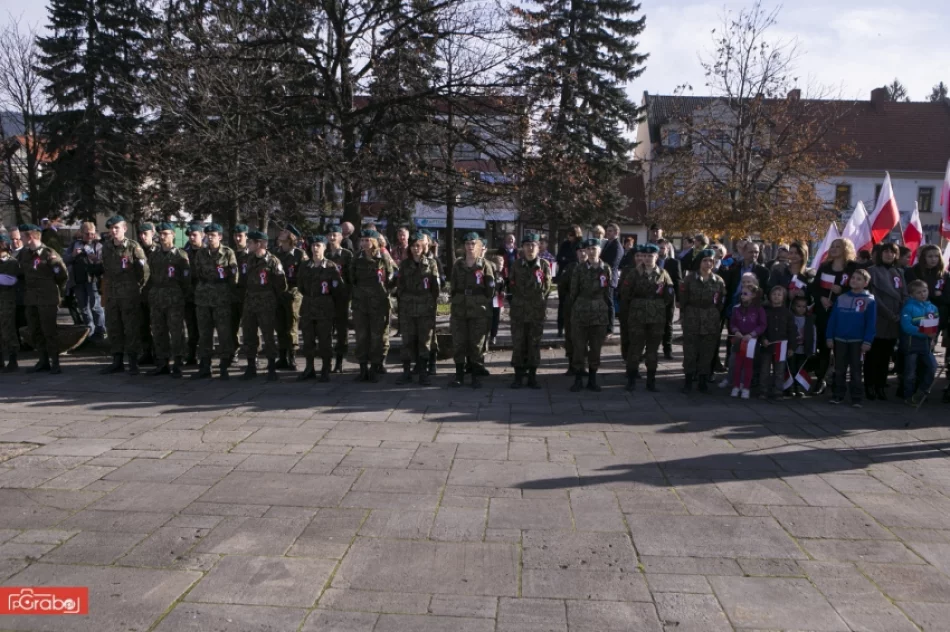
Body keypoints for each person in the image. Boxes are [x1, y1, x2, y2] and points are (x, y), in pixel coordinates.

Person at [619, 243, 675, 392]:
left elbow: (669, 295)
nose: (648, 258)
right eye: (645, 256)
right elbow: (625, 293)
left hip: (656, 318)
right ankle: (631, 379)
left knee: (652, 350)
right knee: (635, 348)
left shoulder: (663, 273)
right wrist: (637, 305)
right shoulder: (633, 273)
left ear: (657, 257)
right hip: (637, 316)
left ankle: (651, 380)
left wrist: (657, 306)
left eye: (651, 256)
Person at [100, 216, 150, 375]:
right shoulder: (106, 247)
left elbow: (144, 272)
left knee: (131, 327)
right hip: (113, 294)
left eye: (117, 228)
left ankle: (133, 361)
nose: (114, 231)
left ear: (124, 229)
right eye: (111, 228)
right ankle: (117, 360)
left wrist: (136, 288)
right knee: (114, 327)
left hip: (129, 294)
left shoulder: (133, 247)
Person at [17, 224, 68, 374]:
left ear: (30, 237)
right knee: (35, 330)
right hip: (31, 299)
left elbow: (62, 276)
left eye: (22, 236)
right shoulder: (25, 254)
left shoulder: (49, 254)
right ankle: (43, 360)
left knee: (49, 331)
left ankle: (55, 362)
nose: (20, 239)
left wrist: (56, 293)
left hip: (47, 299)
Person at [808, 238, 857, 395]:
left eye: (838, 246)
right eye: (833, 246)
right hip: (824, 313)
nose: (834, 249)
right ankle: (820, 379)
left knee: (840, 349)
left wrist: (841, 291)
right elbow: (814, 288)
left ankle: (838, 380)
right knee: (823, 347)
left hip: (843, 314)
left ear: (846, 249)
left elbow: (859, 289)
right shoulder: (824, 267)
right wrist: (821, 298)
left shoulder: (852, 269)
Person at [448, 233, 495, 388]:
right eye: (467, 243)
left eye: (473, 243)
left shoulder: (484, 265)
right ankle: (459, 375)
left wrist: (481, 301)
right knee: (459, 342)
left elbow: (490, 289)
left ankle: (475, 376)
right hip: (460, 309)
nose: (470, 246)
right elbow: (453, 287)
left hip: (478, 310)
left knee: (476, 344)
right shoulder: (458, 264)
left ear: (479, 246)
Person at [903, 243, 949, 401]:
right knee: (912, 358)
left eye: (936, 256)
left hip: (935, 321)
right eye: (930, 256)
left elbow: (946, 298)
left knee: (927, 356)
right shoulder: (913, 272)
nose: (933, 259)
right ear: (923, 257)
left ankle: (922, 389)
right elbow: (913, 292)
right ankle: (908, 389)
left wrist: (936, 296)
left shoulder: (944, 275)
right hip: (915, 321)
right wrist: (932, 294)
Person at [193, 223, 238, 379]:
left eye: (213, 235)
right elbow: (197, 272)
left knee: (224, 333)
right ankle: (205, 366)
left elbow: (233, 276)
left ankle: (224, 365)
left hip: (221, 298)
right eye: (208, 235)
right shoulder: (201, 254)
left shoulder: (227, 253)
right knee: (204, 334)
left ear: (220, 237)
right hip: (203, 298)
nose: (210, 238)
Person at [395, 231, 440, 385]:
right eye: (413, 246)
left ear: (423, 247)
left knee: (424, 341)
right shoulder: (404, 264)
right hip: (408, 308)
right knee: (407, 340)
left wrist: (429, 301)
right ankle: (406, 372)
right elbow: (399, 286)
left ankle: (423, 373)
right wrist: (406, 299)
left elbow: (436, 287)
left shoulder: (431, 263)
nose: (416, 249)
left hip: (425, 308)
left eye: (418, 246)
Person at [297, 235, 345, 382]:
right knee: (308, 339)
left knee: (325, 340)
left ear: (324, 247)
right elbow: (301, 286)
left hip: (325, 308)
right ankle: (309, 368)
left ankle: (325, 369)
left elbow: (338, 289)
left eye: (318, 245)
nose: (315, 248)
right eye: (313, 245)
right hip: (308, 307)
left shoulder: (331, 267)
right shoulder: (305, 266)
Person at [508, 233, 553, 389]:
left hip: (536, 312)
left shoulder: (544, 265)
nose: (530, 248)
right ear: (522, 247)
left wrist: (536, 300)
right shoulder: (516, 265)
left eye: (533, 245)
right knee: (518, 343)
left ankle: (532, 376)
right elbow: (511, 285)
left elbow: (546, 288)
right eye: (527, 245)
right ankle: (518, 376)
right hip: (519, 312)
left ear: (538, 247)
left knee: (534, 344)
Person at [827, 268, 876, 407]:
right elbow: (833, 319)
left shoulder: (870, 300)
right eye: (853, 277)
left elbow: (871, 323)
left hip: (857, 341)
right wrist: (829, 337)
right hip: (840, 339)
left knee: (855, 369)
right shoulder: (841, 298)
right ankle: (838, 394)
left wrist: (867, 340)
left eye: (859, 279)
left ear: (866, 283)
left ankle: (856, 397)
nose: (854, 280)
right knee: (839, 369)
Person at [241, 230, 286, 381]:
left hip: (266, 302)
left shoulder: (273, 261)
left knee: (268, 335)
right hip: (250, 302)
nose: (248, 245)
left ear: (258, 243)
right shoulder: (248, 259)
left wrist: (271, 297)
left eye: (250, 242)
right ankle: (251, 366)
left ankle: (272, 367)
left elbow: (281, 285)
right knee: (249, 334)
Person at [351, 229, 395, 383]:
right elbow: (350, 278)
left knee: (377, 336)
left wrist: (385, 291)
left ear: (375, 241)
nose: (364, 243)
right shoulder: (357, 257)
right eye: (362, 240)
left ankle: (374, 368)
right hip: (360, 303)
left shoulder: (383, 257)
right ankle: (362, 368)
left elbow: (393, 275)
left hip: (379, 303)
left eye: (367, 240)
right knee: (361, 336)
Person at [679, 248, 726, 393]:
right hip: (692, 317)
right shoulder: (689, 279)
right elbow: (683, 299)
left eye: (710, 261)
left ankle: (702, 381)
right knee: (690, 351)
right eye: (704, 261)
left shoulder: (718, 281)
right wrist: (684, 316)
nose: (708, 264)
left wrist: (713, 313)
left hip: (710, 319)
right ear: (699, 262)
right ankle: (688, 380)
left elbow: (721, 302)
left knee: (707, 351)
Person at [147, 223, 190, 378]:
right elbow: (150, 276)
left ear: (173, 235)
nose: (162, 236)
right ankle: (162, 362)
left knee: (176, 330)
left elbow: (186, 280)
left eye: (165, 233)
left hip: (174, 297)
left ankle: (178, 362)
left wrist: (181, 296)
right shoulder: (154, 255)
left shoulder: (180, 255)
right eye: (160, 234)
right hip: (157, 296)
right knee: (158, 330)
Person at [569, 239, 612, 392]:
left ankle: (592, 379)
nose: (591, 252)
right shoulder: (579, 269)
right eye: (589, 249)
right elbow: (573, 292)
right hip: (581, 312)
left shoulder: (605, 268)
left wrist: (610, 320)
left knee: (595, 348)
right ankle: (578, 379)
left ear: (599, 250)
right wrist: (571, 313)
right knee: (579, 348)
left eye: (594, 248)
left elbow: (608, 294)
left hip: (599, 314)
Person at [865, 242, 906, 401]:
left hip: (894, 321)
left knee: (886, 356)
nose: (889, 255)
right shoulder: (872, 271)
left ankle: (881, 385)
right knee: (873, 355)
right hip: (879, 318)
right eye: (886, 252)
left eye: (892, 252)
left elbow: (905, 293)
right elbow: (873, 296)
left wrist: (901, 312)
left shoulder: (899, 272)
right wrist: (889, 313)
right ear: (880, 254)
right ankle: (869, 385)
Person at [900, 280, 940, 407]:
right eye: (919, 292)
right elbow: (906, 327)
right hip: (912, 345)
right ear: (912, 295)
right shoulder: (908, 307)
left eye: (924, 291)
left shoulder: (932, 308)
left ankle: (921, 392)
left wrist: (933, 337)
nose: (923, 294)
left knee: (933, 366)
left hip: (926, 346)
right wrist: (924, 332)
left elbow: (934, 326)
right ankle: (908, 396)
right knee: (910, 373)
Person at [64, 222, 105, 342]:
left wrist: (95, 259)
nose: (90, 236)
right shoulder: (74, 245)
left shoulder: (98, 245)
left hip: (92, 280)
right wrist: (73, 255)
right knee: (84, 308)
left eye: (92, 234)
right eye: (87, 234)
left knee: (95, 306)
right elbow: (65, 260)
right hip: (78, 280)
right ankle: (89, 331)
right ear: (81, 233)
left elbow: (103, 263)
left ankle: (100, 330)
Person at [274, 224, 308, 371]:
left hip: (293, 293)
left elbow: (304, 275)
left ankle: (292, 356)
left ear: (291, 237)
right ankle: (281, 356)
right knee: (280, 325)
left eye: (285, 231)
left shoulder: (300, 254)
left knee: (292, 325)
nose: (281, 233)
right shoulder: (276, 253)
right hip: (278, 293)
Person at [759, 285, 797, 401]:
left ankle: (778, 391)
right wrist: (762, 339)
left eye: (779, 295)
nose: (776, 297)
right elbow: (761, 327)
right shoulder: (764, 311)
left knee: (779, 370)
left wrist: (791, 347)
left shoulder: (788, 313)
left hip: (781, 346)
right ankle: (763, 391)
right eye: (774, 294)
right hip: (767, 345)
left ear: (784, 297)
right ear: (770, 296)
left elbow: (792, 331)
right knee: (764, 370)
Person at [728, 285, 766, 399]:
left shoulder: (759, 309)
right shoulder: (736, 308)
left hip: (751, 341)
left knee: (748, 365)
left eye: (745, 294)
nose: (742, 296)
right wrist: (736, 331)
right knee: (737, 364)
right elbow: (732, 323)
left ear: (753, 295)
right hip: (739, 340)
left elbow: (763, 325)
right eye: (742, 293)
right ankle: (736, 386)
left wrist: (752, 334)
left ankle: (746, 387)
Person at [326, 225, 354, 373]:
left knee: (341, 329)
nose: (332, 238)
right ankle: (327, 359)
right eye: (330, 235)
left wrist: (348, 294)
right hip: (325, 298)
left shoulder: (347, 255)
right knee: (325, 329)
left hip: (341, 297)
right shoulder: (323, 253)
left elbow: (351, 278)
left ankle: (339, 360)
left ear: (341, 237)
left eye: (335, 235)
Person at [560, 246, 587, 376]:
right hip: (571, 307)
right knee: (570, 336)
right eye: (580, 251)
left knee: (586, 337)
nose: (583, 253)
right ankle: (571, 365)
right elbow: (562, 287)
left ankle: (583, 366)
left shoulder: (596, 267)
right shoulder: (570, 267)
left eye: (585, 250)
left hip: (589, 309)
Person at [137, 223, 159, 364]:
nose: (142, 236)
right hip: (140, 294)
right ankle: (146, 352)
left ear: (152, 233)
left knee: (157, 325)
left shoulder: (158, 250)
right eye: (140, 233)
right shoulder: (136, 250)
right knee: (142, 325)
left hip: (155, 293)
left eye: (145, 233)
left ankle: (159, 353)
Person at [555, 225, 583, 336]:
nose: (569, 237)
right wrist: (565, 259)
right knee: (562, 304)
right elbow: (559, 257)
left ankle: (573, 328)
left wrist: (566, 259)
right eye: (568, 234)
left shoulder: (580, 244)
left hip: (576, 275)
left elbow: (577, 259)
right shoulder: (565, 244)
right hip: (564, 275)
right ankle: (560, 328)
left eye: (571, 234)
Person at [656, 239, 682, 359]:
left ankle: (668, 349)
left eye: (663, 247)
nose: (661, 250)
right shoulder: (652, 261)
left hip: (668, 297)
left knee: (668, 324)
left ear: (667, 249)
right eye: (659, 247)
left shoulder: (674, 262)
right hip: (654, 297)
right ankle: (652, 349)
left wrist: (678, 299)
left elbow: (677, 281)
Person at [183, 224, 204, 365]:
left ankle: (204, 356)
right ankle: (191, 355)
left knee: (204, 328)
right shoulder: (185, 252)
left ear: (202, 235)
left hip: (205, 296)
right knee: (191, 327)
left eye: (194, 234)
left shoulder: (208, 251)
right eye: (189, 235)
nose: (191, 237)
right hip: (189, 296)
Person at [788, 295, 817, 398]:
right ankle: (790, 388)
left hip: (804, 349)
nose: (801, 309)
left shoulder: (809, 320)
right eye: (798, 306)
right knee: (791, 368)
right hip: (792, 349)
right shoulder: (790, 318)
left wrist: (812, 350)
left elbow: (813, 335)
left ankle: (798, 388)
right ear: (793, 307)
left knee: (800, 369)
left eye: (804, 307)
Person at [0, 234, 20, 371]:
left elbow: (10, 280)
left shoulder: (11, 262)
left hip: (6, 301)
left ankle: (13, 359)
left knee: (8, 329)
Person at [600, 223, 623, 336]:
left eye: (610, 231)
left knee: (609, 303)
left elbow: (612, 263)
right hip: (603, 277)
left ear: (616, 232)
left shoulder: (617, 246)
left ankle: (610, 328)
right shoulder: (608, 243)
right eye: (607, 230)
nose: (607, 233)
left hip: (609, 278)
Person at [231, 224, 250, 362]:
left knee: (250, 326)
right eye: (236, 236)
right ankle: (233, 352)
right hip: (233, 294)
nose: (238, 239)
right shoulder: (230, 254)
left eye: (241, 236)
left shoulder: (252, 255)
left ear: (246, 236)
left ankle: (251, 354)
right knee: (232, 326)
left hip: (248, 295)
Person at [489, 254, 505, 347]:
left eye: (502, 265)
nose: (501, 266)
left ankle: (493, 336)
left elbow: (503, 285)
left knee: (496, 318)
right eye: (499, 264)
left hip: (497, 299)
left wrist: (502, 291)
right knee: (489, 317)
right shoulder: (490, 272)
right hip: (489, 298)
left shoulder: (501, 275)